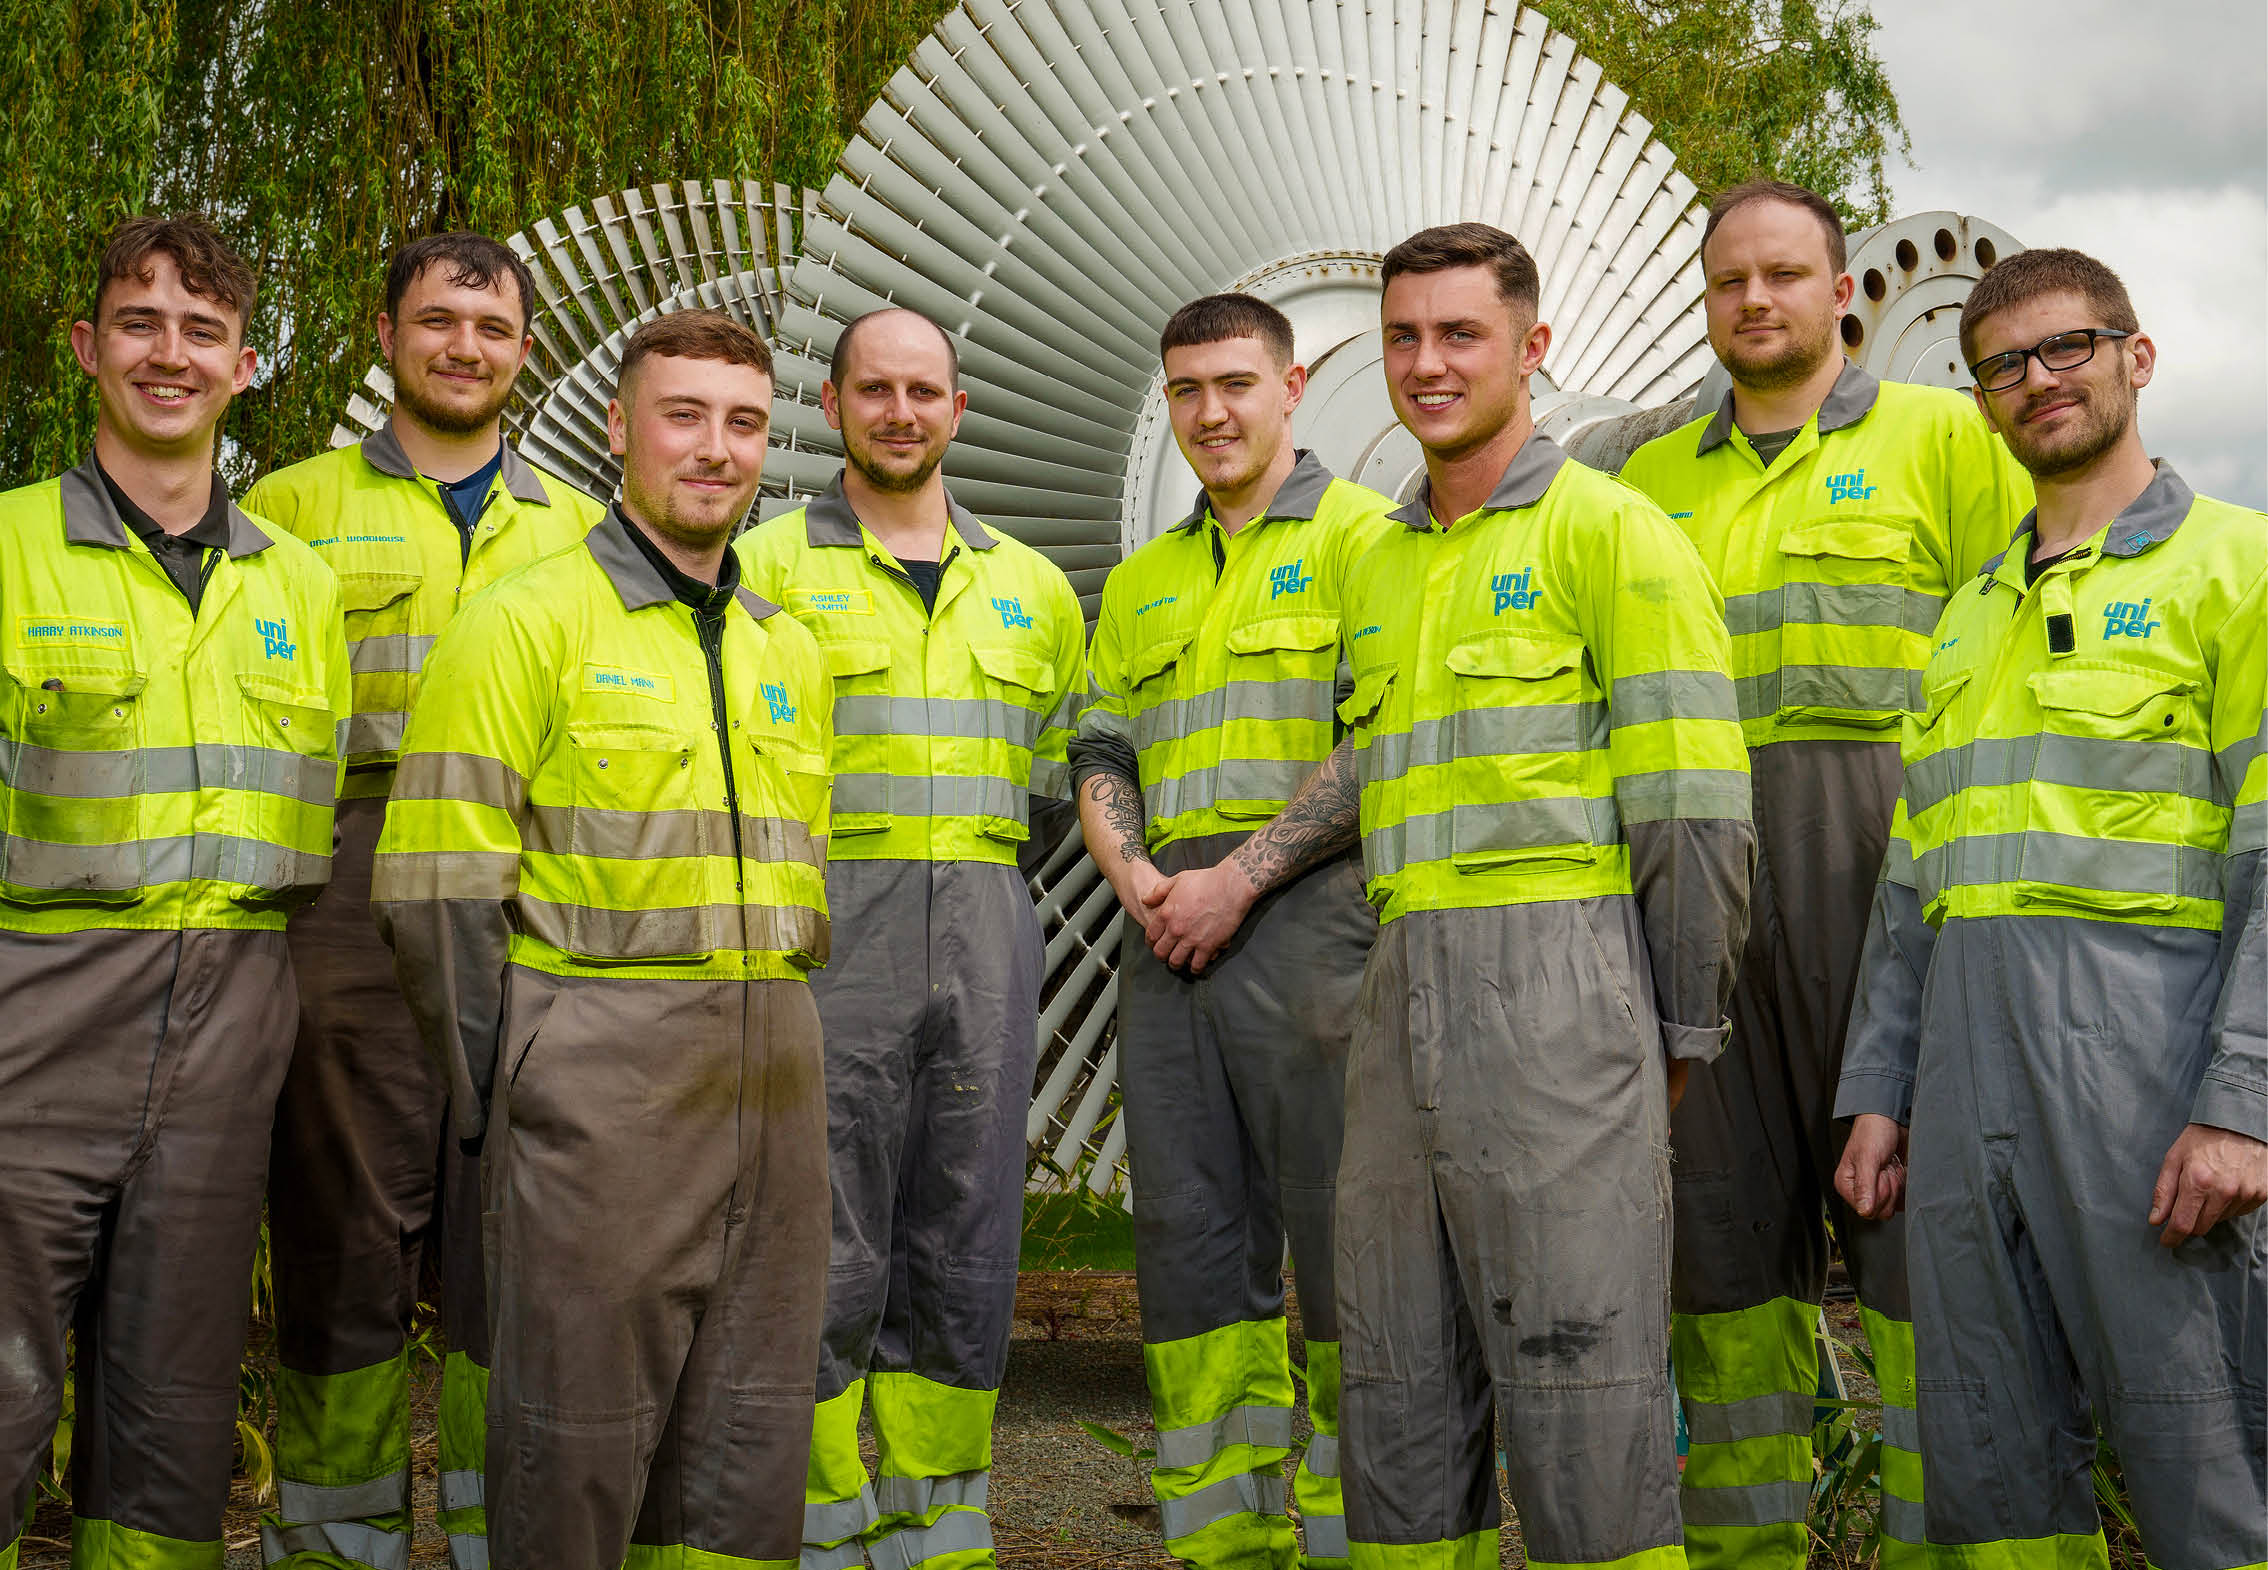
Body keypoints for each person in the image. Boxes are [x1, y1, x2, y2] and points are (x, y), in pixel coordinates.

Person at [1316, 220, 1752, 1568]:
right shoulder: (1374, 565)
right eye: (1405, 336)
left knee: (1585, 1418)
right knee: (1393, 1398)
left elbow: (1695, 808)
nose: (1428, 363)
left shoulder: (1614, 535)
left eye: (1461, 335)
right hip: (1400, 1004)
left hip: (1565, 997)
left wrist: (1674, 1033)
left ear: (1533, 349)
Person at [372, 309, 835, 1570]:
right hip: (600, 1089)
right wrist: (519, 1089)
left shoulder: (787, 648)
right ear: (621, 428)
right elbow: (433, 894)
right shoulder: (522, 622)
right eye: (684, 415)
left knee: (747, 1454)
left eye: (743, 422)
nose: (716, 449)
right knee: (571, 1450)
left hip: (776, 1084)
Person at [1617, 180, 2031, 1565]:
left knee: (1928, 1271)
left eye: (1785, 274)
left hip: (1890, 913)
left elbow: (2025, 658)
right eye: (1731, 279)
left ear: (1843, 289)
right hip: (1702, 924)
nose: (1757, 300)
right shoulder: (1649, 483)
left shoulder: (1947, 442)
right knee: (1723, 1276)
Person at [1833, 247, 2267, 1568]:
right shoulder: (1967, 622)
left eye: (2068, 346)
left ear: (2136, 356)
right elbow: (1915, 887)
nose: (2039, 379)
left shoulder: (2236, 569)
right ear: (1982, 404)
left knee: (2211, 1461)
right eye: (2004, 365)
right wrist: (1880, 1090)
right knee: (1989, 1465)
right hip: (1969, 1089)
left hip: (2150, 1084)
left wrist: (2243, 1101)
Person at [244, 230, 605, 1570]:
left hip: (532, 877)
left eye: (495, 327)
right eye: (441, 319)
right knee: (343, 1212)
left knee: (516, 1215)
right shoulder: (286, 510)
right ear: (384, 335)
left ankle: (495, 1524)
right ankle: (338, 1539)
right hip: (350, 875)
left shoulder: (576, 522)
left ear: (525, 350)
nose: (467, 346)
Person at [0, 215, 351, 1569]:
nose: (169, 352)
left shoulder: (300, 586)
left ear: (247, 365)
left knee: (174, 1415)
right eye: (139, 322)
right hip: (35, 1031)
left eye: (202, 329)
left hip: (227, 1038)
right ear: (88, 348)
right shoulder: (17, 548)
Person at [736, 308, 1082, 1570]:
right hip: (832, 927)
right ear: (830, 405)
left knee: (967, 1223)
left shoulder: (1033, 589)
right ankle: (816, 1519)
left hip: (987, 920)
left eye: (923, 391)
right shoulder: (765, 566)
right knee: (817, 1224)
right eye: (874, 389)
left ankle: (938, 1523)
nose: (900, 411)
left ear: (957, 410)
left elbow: (1053, 785)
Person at [1071, 292, 1392, 1568]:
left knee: (1344, 1241)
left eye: (1236, 385)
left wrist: (1240, 879)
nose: (1211, 412)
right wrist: (1132, 866)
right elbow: (1102, 739)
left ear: (1292, 386)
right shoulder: (1143, 581)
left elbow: (1383, 737)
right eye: (1188, 390)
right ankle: (1226, 1541)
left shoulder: (1372, 538)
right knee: (1192, 1249)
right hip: (1165, 939)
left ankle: (1368, 1534)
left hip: (1314, 927)